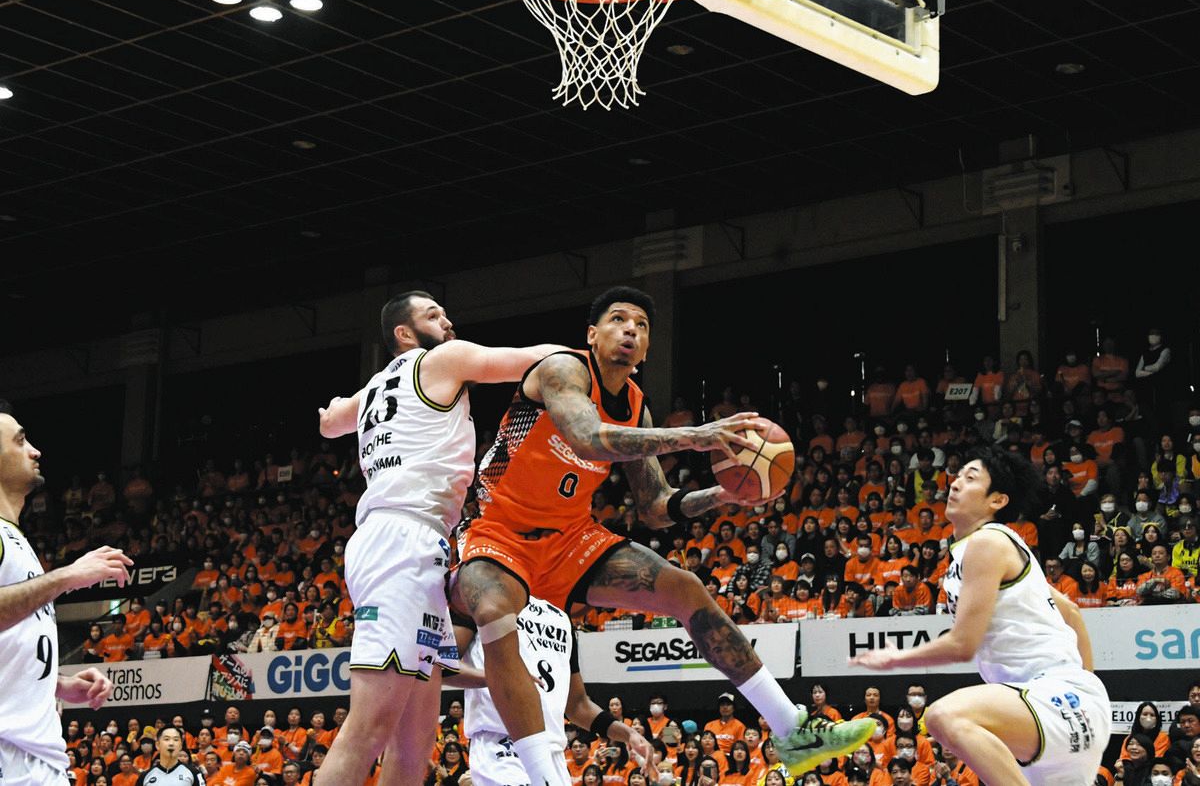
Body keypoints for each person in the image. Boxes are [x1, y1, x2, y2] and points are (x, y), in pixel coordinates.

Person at [453, 287, 876, 785]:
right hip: (498, 529)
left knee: (686, 588)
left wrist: (723, 494)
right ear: (592, 335)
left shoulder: (636, 407)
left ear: (648, 347)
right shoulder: (563, 369)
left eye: (641, 325)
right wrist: (695, 435)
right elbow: (589, 438)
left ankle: (793, 730)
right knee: (494, 609)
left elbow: (656, 507)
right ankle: (542, 776)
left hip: (570, 538)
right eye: (618, 319)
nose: (630, 330)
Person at [312, 291, 563, 785]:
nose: (447, 321)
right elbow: (530, 359)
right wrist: (593, 359)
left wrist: (333, 410)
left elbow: (330, 424)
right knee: (368, 729)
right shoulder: (442, 360)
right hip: (401, 539)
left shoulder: (375, 388)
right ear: (404, 334)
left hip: (413, 541)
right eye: (433, 315)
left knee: (414, 744)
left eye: (445, 313)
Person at [851, 444, 1111, 786]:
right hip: (1057, 710)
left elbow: (963, 645)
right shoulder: (996, 550)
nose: (956, 482)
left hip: (1052, 698)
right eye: (957, 475)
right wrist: (1087, 698)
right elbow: (1072, 614)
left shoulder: (988, 542)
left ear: (997, 500)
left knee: (943, 716)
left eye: (971, 478)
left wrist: (895, 658)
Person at [0, 402, 132, 783]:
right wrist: (67, 576)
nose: (35, 451)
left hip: (37, 758)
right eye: (20, 441)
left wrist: (58, 685)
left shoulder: (16, 538)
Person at [454, 595, 653, 786]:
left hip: (553, 753)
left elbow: (577, 705)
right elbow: (443, 663)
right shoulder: (481, 597)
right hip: (502, 746)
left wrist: (628, 734)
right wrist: (503, 679)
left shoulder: (561, 618)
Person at [134, 727, 204, 785]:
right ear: (157, 745)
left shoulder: (194, 773)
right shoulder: (145, 776)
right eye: (166, 739)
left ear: (181, 745)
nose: (171, 743)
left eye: (176, 739)